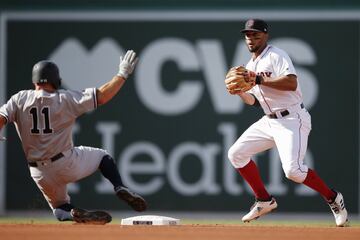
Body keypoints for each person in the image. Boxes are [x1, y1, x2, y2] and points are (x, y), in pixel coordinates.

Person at [225, 19, 348, 227]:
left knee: (294, 172)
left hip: (293, 119)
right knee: (235, 154)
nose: (251, 38)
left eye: (256, 34)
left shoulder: (276, 55)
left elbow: (291, 83)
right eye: (248, 34)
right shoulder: (250, 66)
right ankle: (264, 200)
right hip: (269, 120)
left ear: (265, 36)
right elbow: (255, 101)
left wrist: (258, 80)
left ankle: (333, 198)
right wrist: (240, 93)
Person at [0, 50, 147, 224]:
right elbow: (102, 96)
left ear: (35, 81)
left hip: (38, 172)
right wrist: (122, 74)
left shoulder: (19, 99)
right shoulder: (64, 99)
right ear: (56, 80)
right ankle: (119, 186)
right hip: (66, 163)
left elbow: (2, 118)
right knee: (103, 157)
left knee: (59, 209)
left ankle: (72, 213)